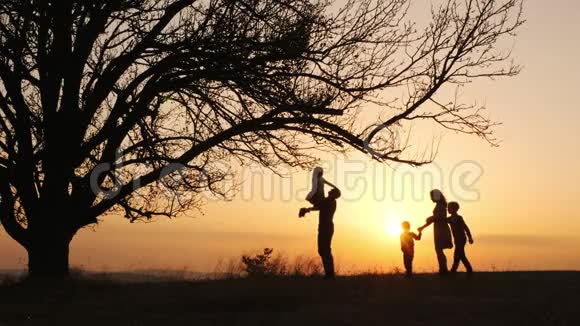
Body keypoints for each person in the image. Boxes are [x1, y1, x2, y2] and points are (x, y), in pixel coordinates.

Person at [418, 189, 453, 275]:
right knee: (439, 250)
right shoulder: (441, 205)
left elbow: (439, 218)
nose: (431, 199)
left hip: (441, 229)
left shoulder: (440, 206)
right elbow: (436, 218)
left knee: (439, 250)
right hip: (439, 229)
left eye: (431, 197)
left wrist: (430, 219)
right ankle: (443, 269)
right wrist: (430, 220)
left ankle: (443, 270)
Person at [313, 187, 341, 279]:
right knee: (323, 250)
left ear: (334, 194)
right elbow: (318, 205)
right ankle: (329, 273)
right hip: (325, 227)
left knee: (325, 250)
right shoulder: (329, 201)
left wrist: (306, 209)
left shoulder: (329, 202)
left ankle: (330, 274)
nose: (329, 191)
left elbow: (317, 205)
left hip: (326, 228)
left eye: (331, 191)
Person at [447, 201, 474, 275]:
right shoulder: (449, 219)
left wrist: (470, 237)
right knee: (460, 255)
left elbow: (465, 227)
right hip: (457, 240)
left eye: (449, 208)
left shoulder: (459, 218)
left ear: (454, 209)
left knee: (458, 255)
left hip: (462, 239)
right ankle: (468, 271)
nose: (447, 210)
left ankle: (454, 271)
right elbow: (443, 220)